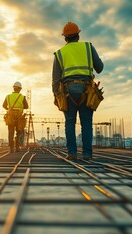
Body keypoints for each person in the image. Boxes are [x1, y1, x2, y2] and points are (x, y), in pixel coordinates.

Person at [52, 22, 104, 160]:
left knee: (70, 122)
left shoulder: (59, 53)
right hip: (87, 90)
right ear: (78, 35)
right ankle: (87, 154)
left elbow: (55, 80)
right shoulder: (88, 47)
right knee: (86, 122)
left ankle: (72, 153)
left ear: (65, 38)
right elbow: (99, 68)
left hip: (68, 92)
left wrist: (56, 96)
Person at [2, 81, 29, 153]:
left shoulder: (8, 96)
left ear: (13, 88)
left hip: (10, 115)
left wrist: (9, 109)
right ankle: (17, 147)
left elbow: (4, 105)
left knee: (11, 132)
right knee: (19, 132)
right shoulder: (22, 97)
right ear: (20, 89)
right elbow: (26, 106)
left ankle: (11, 148)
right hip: (19, 116)